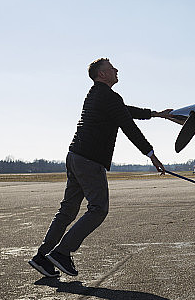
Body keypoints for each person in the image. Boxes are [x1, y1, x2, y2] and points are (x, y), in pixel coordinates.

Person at [28, 58, 173, 278]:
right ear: (102, 74)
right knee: (98, 209)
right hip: (89, 160)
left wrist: (156, 114)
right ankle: (62, 253)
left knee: (67, 210)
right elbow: (128, 126)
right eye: (111, 68)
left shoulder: (96, 94)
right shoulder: (108, 96)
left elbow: (125, 111)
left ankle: (42, 257)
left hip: (75, 156)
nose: (116, 70)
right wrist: (151, 155)